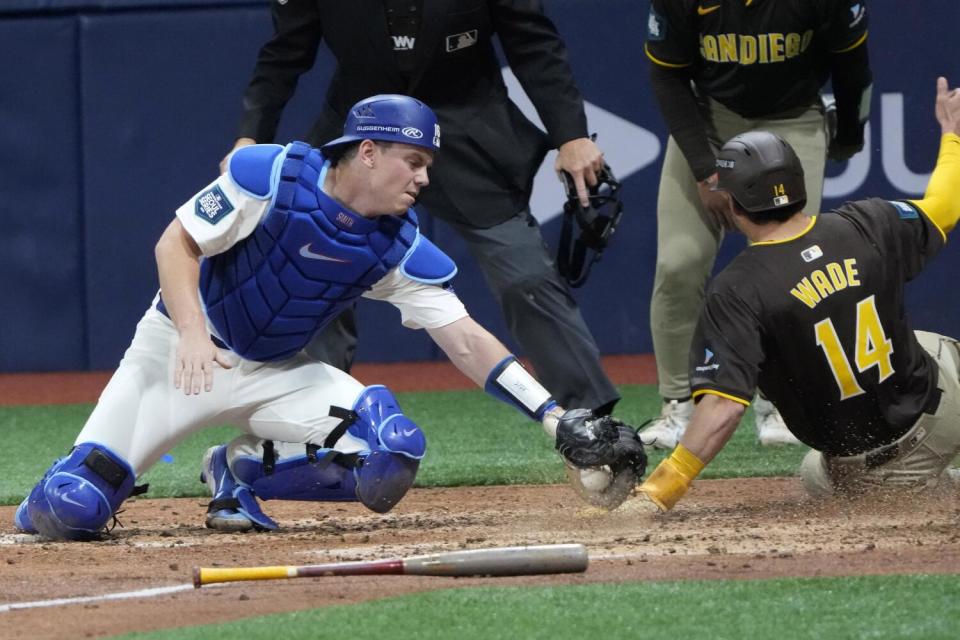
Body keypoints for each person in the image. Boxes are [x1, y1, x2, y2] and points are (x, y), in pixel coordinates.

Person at [13, 95, 635, 540]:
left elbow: (466, 339)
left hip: (280, 373)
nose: (423, 179)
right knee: (72, 507)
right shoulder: (272, 175)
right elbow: (174, 244)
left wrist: (553, 417)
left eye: (427, 168)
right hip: (181, 355)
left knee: (392, 454)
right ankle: (63, 492)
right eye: (413, 162)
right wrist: (193, 332)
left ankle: (236, 467)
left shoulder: (397, 243)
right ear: (367, 151)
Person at [221, 0, 619, 416]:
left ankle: (591, 419)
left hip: (467, 130)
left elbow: (534, 45)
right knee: (314, 267)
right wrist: (250, 135)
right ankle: (311, 421)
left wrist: (571, 135)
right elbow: (285, 52)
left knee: (525, 275)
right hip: (361, 137)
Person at [630, 77, 960, 513]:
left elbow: (723, 411)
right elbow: (945, 207)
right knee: (929, 344)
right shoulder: (868, 220)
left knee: (817, 475)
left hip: (886, 459)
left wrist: (659, 492)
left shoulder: (737, 289)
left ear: (731, 203)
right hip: (945, 400)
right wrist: (952, 137)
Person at [641, 0, 874, 448]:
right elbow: (667, 75)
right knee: (679, 263)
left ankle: (779, 405)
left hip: (793, 119)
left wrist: (849, 135)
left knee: (789, 273)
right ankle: (676, 407)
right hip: (710, 120)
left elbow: (852, 63)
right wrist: (706, 170)